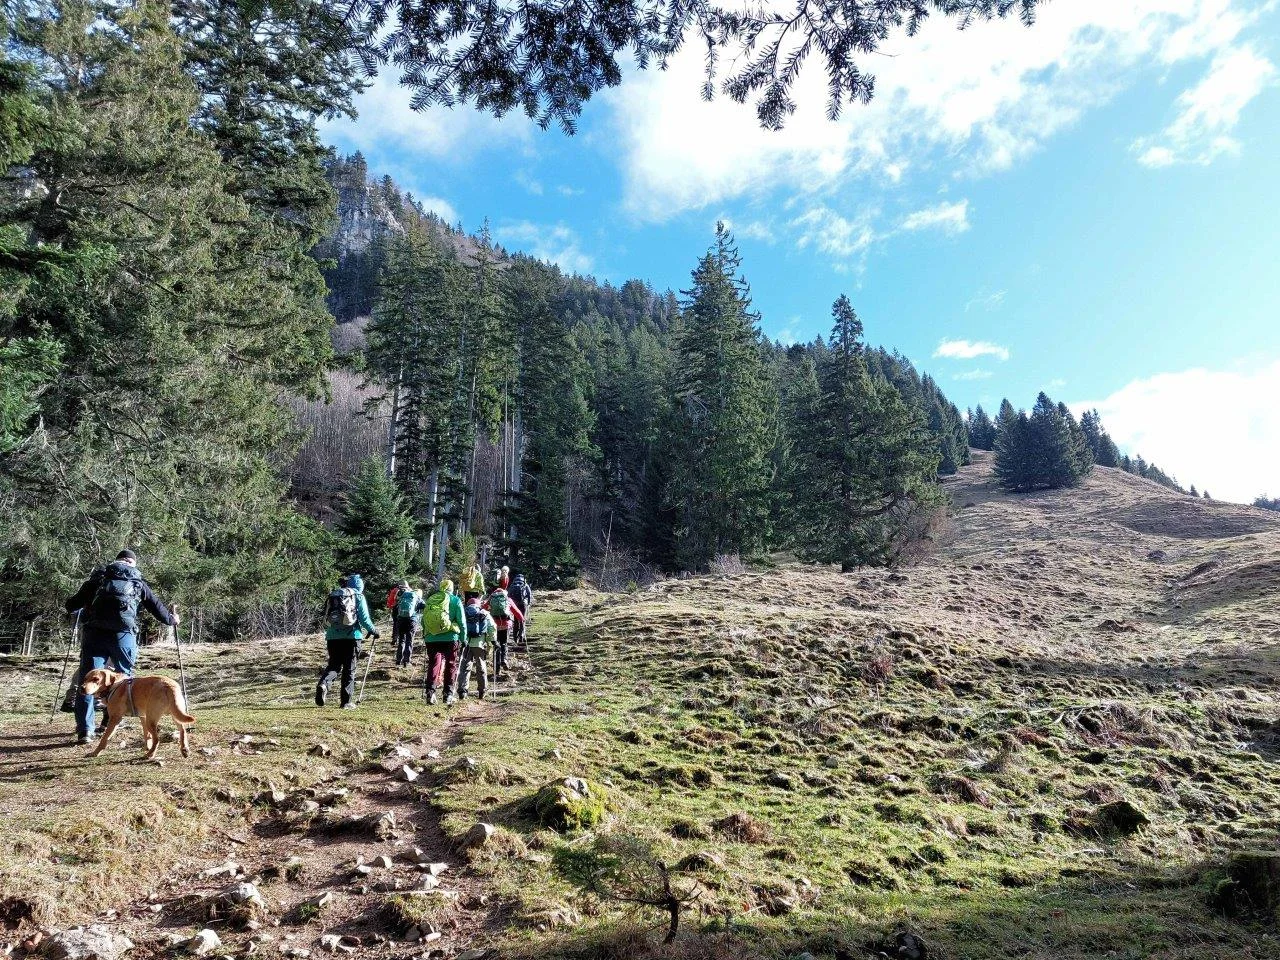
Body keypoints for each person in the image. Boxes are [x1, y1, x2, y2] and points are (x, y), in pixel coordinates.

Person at [64, 549, 180, 745]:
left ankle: (85, 730)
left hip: (94, 635)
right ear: (132, 563)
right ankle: (110, 720)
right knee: (124, 679)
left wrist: (78, 606)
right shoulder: (137, 582)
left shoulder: (100, 578)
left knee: (89, 679)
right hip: (123, 636)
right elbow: (157, 608)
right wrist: (172, 619)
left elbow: (71, 605)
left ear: (116, 561)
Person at [316, 573, 378, 710]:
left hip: (332, 637)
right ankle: (346, 702)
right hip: (352, 637)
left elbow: (326, 618)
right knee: (349, 669)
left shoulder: (334, 595)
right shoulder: (358, 596)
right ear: (360, 586)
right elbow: (364, 619)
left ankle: (323, 684)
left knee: (334, 665)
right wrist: (374, 631)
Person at [421, 579, 465, 705]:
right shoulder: (455, 600)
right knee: (451, 664)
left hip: (431, 637)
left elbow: (424, 620)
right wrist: (463, 638)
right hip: (450, 637)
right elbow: (462, 622)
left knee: (434, 664)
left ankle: (430, 693)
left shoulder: (432, 599)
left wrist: (426, 634)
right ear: (451, 588)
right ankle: (448, 695)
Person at [457, 596, 497, 700]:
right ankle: (482, 691)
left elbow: (459, 625)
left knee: (464, 667)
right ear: (479, 604)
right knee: (481, 667)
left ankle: (462, 691)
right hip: (479, 644)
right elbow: (492, 627)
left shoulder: (464, 612)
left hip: (466, 644)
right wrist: (493, 641)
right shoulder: (484, 613)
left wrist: (460, 640)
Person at [483, 583, 524, 681]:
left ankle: (496, 669)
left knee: (496, 645)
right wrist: (522, 619)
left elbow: (483, 608)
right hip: (506, 625)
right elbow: (516, 612)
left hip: (495, 625)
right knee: (504, 643)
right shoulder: (508, 599)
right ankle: (504, 659)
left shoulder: (491, 599)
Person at [392, 580, 424, 667]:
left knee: (401, 640)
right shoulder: (417, 598)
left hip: (401, 619)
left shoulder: (402, 595)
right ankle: (406, 661)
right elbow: (424, 606)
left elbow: (396, 604)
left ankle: (398, 660)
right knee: (409, 640)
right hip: (412, 620)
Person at [508, 570, 532, 650]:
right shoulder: (525, 584)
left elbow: (509, 594)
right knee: (522, 619)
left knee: (516, 619)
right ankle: (521, 635)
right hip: (523, 604)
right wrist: (528, 603)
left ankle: (515, 637)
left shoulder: (513, 584)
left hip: (515, 604)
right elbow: (529, 595)